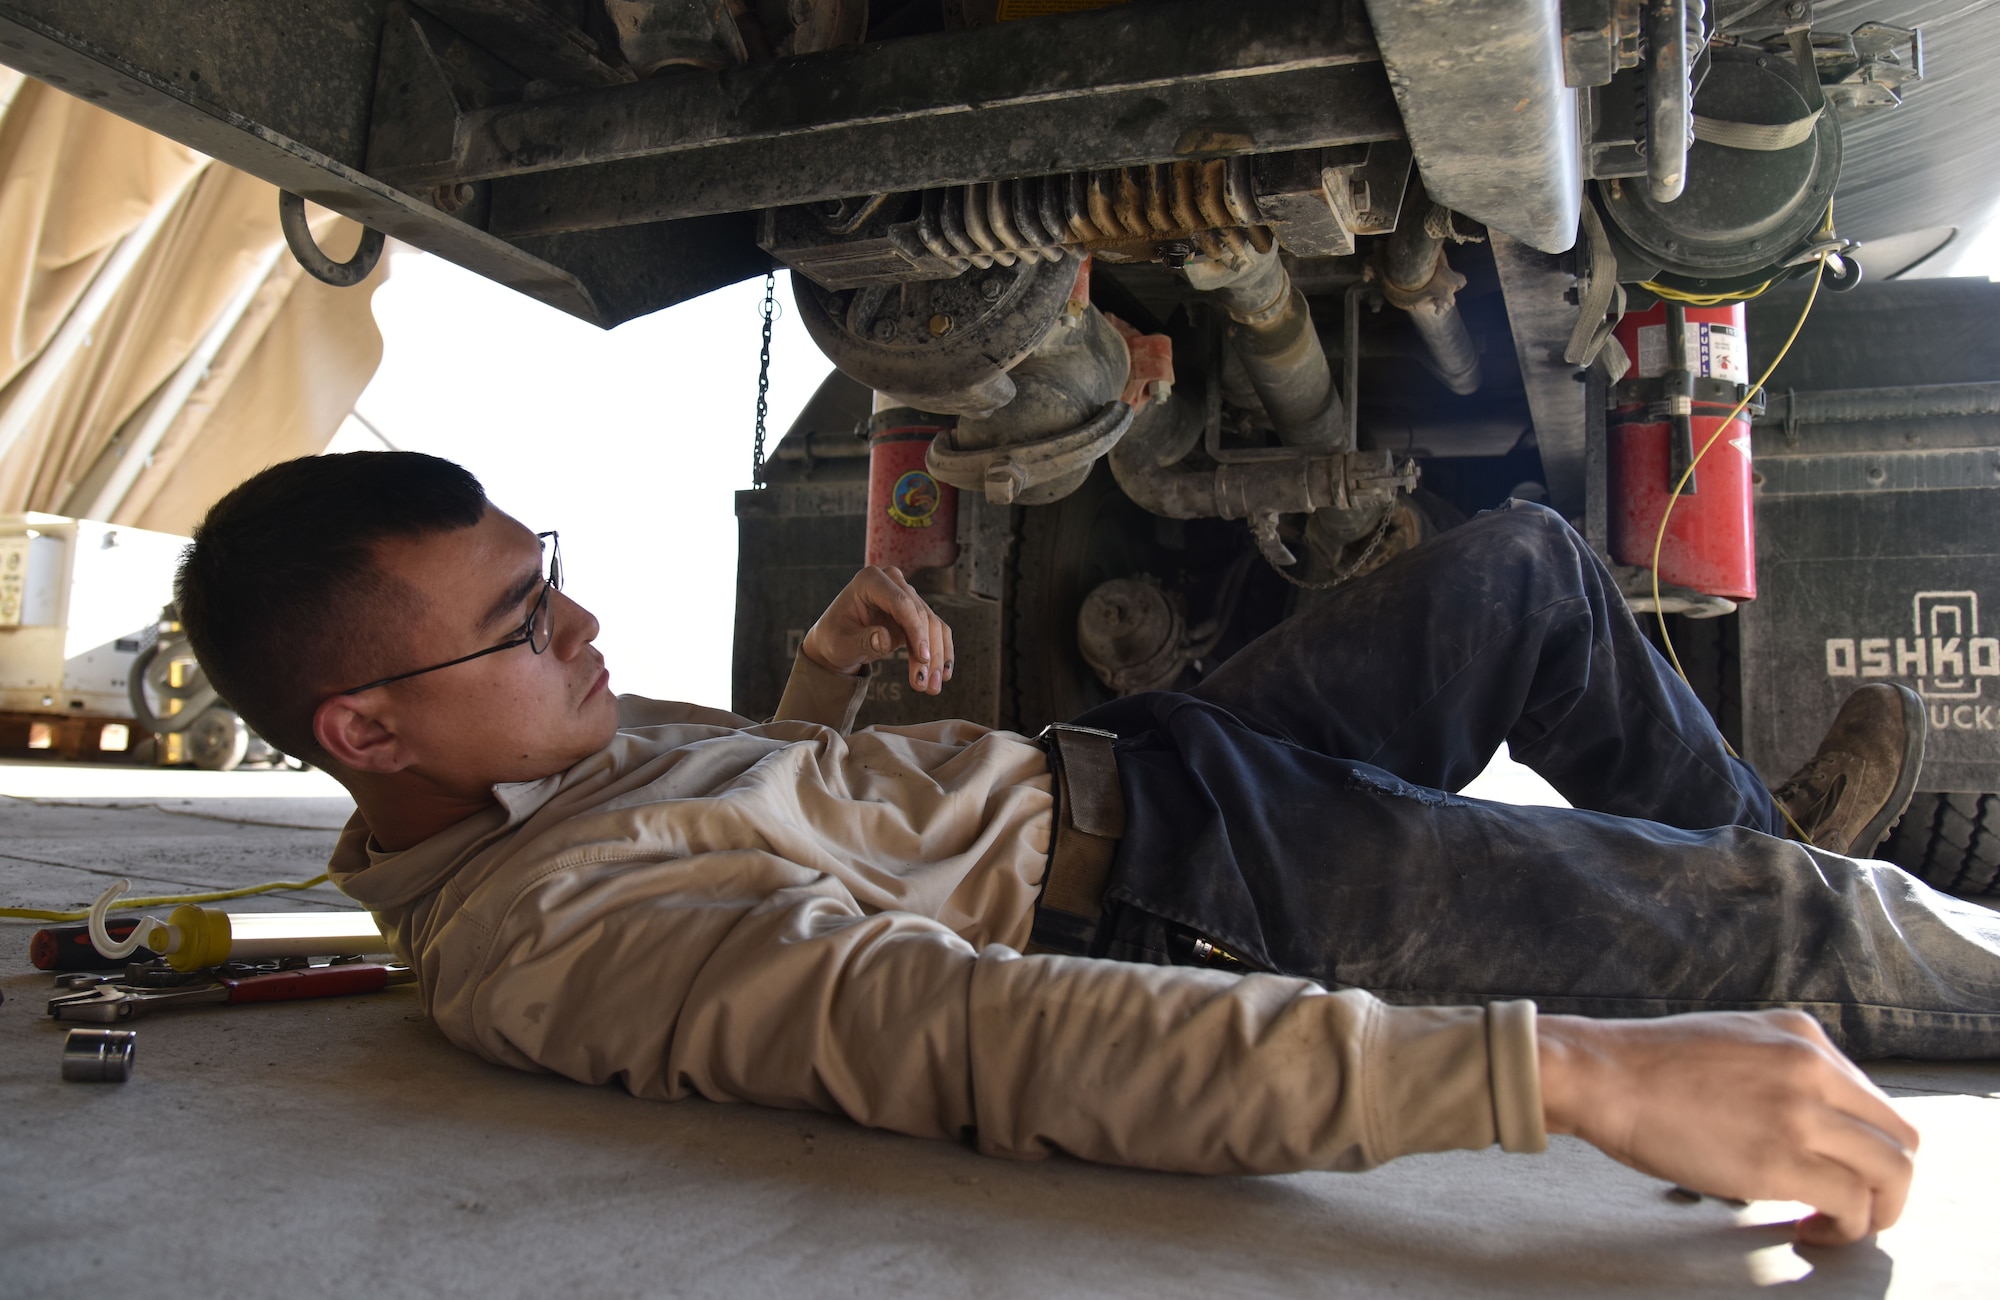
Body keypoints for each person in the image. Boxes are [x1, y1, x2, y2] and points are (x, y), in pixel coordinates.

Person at [175, 451, 2000, 1248]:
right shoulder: (556, 941)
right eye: (522, 619)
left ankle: (1717, 853)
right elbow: (987, 1039)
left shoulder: (543, 756)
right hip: (1183, 890)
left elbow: (766, 830)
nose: (580, 630)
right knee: (1807, 931)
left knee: (1519, 574)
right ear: (365, 732)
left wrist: (817, 688)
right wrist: (1566, 1075)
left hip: (1146, 764)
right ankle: (1752, 895)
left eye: (553, 576)